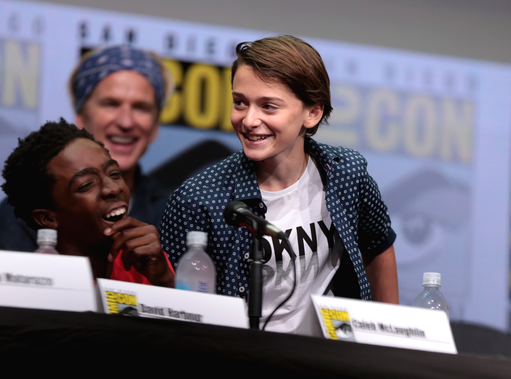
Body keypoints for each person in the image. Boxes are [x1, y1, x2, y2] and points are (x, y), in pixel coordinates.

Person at [160, 35, 399, 333]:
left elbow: (378, 245)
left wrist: (390, 338)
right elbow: (172, 302)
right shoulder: (198, 199)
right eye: (240, 102)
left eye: (268, 106)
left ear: (312, 113)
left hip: (330, 349)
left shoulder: (345, 173)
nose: (249, 120)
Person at [0, 44, 173, 252]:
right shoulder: (22, 215)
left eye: (140, 107)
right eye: (111, 104)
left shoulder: (175, 214)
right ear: (81, 118)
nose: (126, 122)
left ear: (155, 126)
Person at [1, 119, 174, 287]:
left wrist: (164, 279)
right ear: (47, 218)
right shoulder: (33, 286)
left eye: (114, 174)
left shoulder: (147, 264)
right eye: (86, 185)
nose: (113, 188)